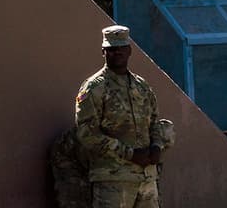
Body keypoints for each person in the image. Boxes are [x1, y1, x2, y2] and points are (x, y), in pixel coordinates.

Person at [74, 25, 172, 208]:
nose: (117, 52)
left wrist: (157, 146)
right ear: (103, 52)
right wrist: (130, 153)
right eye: (111, 49)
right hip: (113, 179)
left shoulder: (141, 86)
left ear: (129, 50)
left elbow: (154, 121)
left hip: (146, 178)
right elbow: (86, 134)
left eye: (121, 47)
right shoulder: (94, 88)